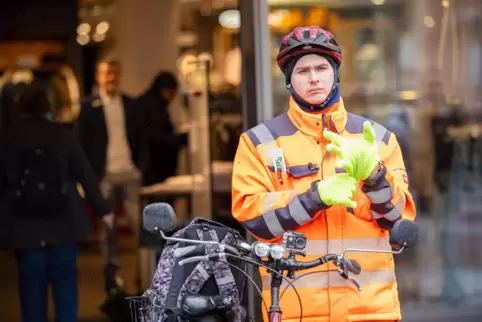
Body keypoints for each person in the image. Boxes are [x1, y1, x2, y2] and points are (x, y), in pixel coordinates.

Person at [231, 26, 416, 322]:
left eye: (322, 67)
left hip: (370, 311)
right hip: (296, 312)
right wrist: (314, 197)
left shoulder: (379, 139)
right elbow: (254, 219)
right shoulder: (259, 142)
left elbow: (397, 225)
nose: (314, 77)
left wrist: (375, 177)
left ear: (335, 73)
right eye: (302, 70)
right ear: (289, 80)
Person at [0, 81, 114, 322]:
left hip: (25, 229)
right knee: (65, 291)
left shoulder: (7, 138)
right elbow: (85, 174)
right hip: (63, 224)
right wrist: (103, 211)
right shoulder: (63, 136)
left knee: (31, 294)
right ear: (47, 107)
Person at [76, 59, 148, 291]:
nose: (111, 78)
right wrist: (89, 176)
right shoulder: (90, 107)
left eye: (115, 73)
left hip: (129, 173)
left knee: (140, 226)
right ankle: (113, 280)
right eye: (106, 73)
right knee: (108, 231)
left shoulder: (130, 104)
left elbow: (142, 138)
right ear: (98, 77)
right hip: (104, 175)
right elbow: (81, 142)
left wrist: (140, 167)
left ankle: (144, 277)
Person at [140, 71, 188, 186]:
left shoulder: (147, 104)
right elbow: (160, 138)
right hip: (155, 171)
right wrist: (183, 138)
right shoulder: (154, 109)